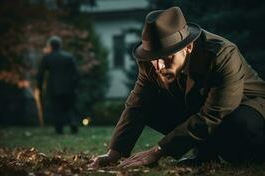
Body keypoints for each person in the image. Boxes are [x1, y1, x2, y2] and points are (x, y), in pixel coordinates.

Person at [89, 7, 265, 167]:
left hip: (246, 106)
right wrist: (114, 153)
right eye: (153, 57)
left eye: (166, 57)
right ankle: (205, 154)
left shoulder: (222, 54)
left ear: (188, 47)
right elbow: (137, 105)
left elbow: (215, 112)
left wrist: (158, 151)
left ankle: (235, 152)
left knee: (242, 128)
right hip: (201, 107)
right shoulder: (151, 63)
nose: (158, 66)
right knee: (150, 106)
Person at [37, 36, 79, 134]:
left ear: (51, 45)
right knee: (69, 107)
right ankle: (73, 123)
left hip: (54, 88)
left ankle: (59, 129)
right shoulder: (68, 57)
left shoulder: (47, 57)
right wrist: (74, 86)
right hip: (69, 88)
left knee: (57, 109)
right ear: (60, 45)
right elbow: (76, 74)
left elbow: (41, 73)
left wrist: (39, 87)